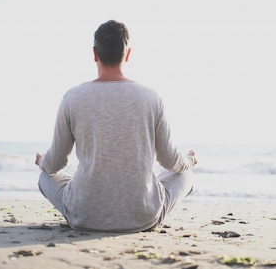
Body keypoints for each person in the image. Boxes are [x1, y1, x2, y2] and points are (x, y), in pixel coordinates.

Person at [35, 20, 197, 232]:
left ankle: (89, 199)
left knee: (45, 176)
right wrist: (190, 160)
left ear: (95, 53)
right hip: (142, 217)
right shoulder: (151, 98)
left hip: (83, 215)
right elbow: (171, 162)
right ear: (127, 54)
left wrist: (41, 162)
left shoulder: (72, 98)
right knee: (185, 174)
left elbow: (54, 163)